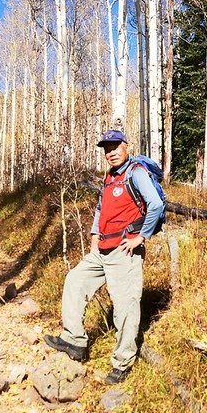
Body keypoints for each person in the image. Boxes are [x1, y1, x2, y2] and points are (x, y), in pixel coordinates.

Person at [44, 129, 164, 384]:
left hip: (124, 251)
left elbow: (155, 204)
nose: (111, 152)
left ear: (126, 147)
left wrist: (140, 237)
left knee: (125, 307)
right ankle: (74, 340)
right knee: (75, 280)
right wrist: (94, 236)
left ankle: (122, 362)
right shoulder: (110, 177)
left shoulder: (136, 173)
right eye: (107, 149)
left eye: (115, 146)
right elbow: (101, 209)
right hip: (102, 250)